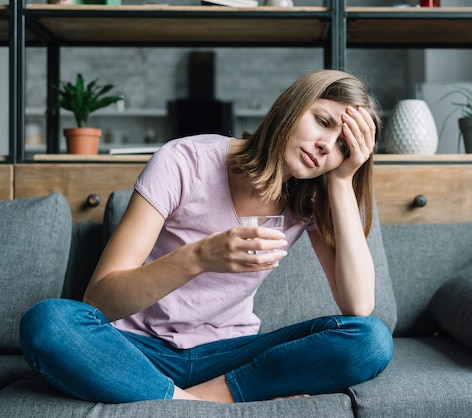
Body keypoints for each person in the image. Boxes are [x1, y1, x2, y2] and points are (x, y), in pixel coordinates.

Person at [20, 69, 394, 404]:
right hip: (137, 350)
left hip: (229, 354)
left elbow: (358, 306)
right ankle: (194, 404)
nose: (326, 146)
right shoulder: (183, 161)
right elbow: (99, 300)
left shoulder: (308, 199)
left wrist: (342, 180)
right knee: (48, 322)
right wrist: (200, 257)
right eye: (321, 121)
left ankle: (185, 399)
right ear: (291, 108)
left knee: (370, 340)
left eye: (343, 146)